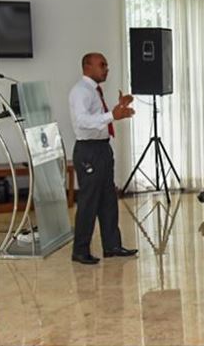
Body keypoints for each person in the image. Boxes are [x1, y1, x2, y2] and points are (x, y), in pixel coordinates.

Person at [69, 52, 137, 265]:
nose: (106, 68)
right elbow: (82, 121)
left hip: (101, 149)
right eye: (102, 65)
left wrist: (118, 111)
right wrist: (112, 116)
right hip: (89, 151)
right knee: (89, 201)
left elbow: (99, 118)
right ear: (87, 66)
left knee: (108, 199)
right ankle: (80, 251)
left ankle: (112, 246)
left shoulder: (94, 90)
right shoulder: (80, 91)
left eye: (106, 65)